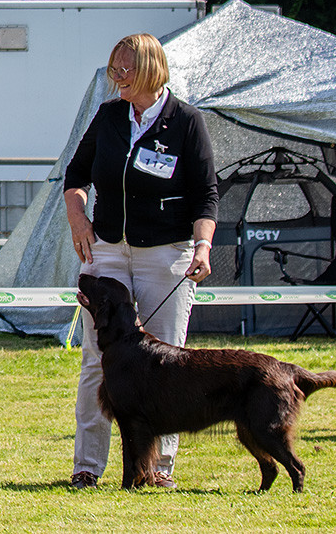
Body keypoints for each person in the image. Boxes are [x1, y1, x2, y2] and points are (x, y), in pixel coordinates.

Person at [63, 32, 218, 489]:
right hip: (107, 249)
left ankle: (157, 470)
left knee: (164, 360)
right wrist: (78, 219)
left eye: (124, 69)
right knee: (98, 359)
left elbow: (207, 195)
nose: (116, 78)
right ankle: (87, 466)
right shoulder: (109, 116)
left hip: (166, 253)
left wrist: (203, 246)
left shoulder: (186, 120)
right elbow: (76, 175)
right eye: (113, 69)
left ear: (151, 69)